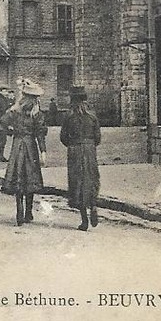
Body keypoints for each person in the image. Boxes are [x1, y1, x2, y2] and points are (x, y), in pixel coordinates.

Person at [0, 78, 47, 226]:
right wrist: (43, 151)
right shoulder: (37, 114)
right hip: (31, 146)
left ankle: (19, 211)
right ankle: (28, 212)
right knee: (30, 178)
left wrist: (10, 131)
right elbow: (40, 133)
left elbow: (0, 123)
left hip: (17, 145)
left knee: (18, 177)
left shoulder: (14, 111)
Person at [59, 85, 101, 232]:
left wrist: (72, 144)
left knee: (77, 182)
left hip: (75, 151)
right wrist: (89, 145)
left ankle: (84, 221)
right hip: (90, 151)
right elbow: (98, 138)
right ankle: (94, 205)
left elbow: (63, 137)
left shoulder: (69, 117)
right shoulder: (92, 117)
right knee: (91, 178)